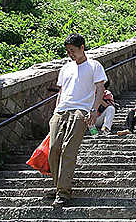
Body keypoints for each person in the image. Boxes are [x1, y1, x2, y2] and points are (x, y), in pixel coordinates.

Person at [47, 33, 107, 208]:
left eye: (73, 51)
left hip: (81, 111)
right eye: (68, 51)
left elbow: (100, 88)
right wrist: (55, 112)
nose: (70, 54)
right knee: (53, 149)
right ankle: (59, 185)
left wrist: (94, 110)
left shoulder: (94, 65)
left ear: (82, 48)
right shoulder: (66, 68)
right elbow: (62, 91)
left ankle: (63, 192)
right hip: (61, 111)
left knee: (68, 150)